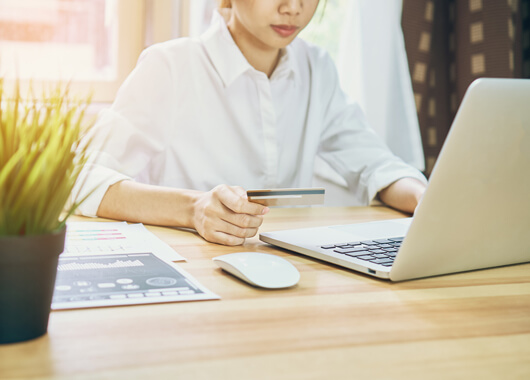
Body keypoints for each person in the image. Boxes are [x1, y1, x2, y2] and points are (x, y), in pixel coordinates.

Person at [74, 0, 427, 246]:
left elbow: (377, 165)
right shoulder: (170, 67)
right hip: (192, 276)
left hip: (289, 273)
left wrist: (426, 199)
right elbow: (81, 180)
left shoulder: (316, 68)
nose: (293, 7)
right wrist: (193, 209)